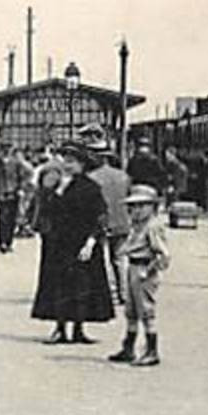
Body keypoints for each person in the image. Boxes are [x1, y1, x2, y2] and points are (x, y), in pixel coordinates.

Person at [30, 141, 115, 344]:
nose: (68, 165)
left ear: (83, 164)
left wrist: (91, 242)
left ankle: (78, 329)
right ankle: (60, 328)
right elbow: (46, 211)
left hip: (82, 245)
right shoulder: (57, 186)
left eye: (73, 162)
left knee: (82, 288)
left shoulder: (91, 188)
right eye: (66, 161)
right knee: (59, 286)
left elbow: (100, 216)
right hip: (59, 245)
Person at [109, 184, 172, 366]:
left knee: (146, 310)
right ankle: (128, 347)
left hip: (144, 268)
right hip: (133, 266)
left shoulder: (152, 227)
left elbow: (164, 255)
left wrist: (150, 270)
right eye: (133, 207)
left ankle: (151, 350)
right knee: (131, 310)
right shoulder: (137, 226)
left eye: (142, 206)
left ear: (153, 207)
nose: (136, 210)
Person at [79, 124, 131, 305]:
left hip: (100, 223)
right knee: (120, 259)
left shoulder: (91, 178)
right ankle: (124, 294)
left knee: (101, 258)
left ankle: (107, 293)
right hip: (122, 222)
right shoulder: (123, 176)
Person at [0, 145, 28, 253]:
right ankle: (2, 243)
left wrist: (21, 189)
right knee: (1, 219)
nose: (5, 152)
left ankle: (9, 242)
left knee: (12, 219)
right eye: (4, 150)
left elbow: (22, 177)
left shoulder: (16, 163)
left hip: (13, 194)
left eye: (8, 150)